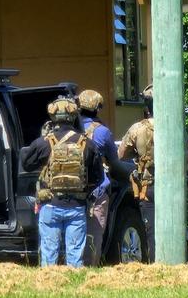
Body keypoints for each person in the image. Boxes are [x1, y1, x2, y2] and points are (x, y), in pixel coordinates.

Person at [21, 97, 103, 267]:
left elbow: (26, 164)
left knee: (49, 254)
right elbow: (98, 178)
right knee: (75, 257)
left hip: (50, 205)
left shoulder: (44, 142)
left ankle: (49, 288)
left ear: (52, 117)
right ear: (74, 116)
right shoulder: (87, 143)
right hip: (77, 206)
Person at [77, 89, 117, 266]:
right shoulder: (102, 132)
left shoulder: (67, 130)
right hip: (96, 190)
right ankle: (91, 267)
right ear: (97, 108)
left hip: (70, 190)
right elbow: (114, 161)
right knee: (94, 233)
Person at [117, 84, 156, 262]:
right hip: (175, 188)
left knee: (151, 231)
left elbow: (122, 154)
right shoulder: (177, 128)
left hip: (148, 188)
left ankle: (155, 264)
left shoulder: (137, 129)